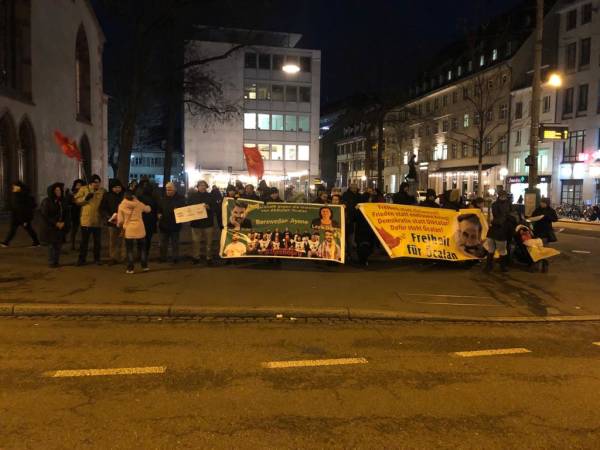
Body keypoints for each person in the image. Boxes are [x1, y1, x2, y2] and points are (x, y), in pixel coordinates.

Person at [117, 190, 151, 274]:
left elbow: (120, 220)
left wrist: (119, 225)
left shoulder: (121, 206)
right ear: (133, 196)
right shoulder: (138, 204)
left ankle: (130, 269)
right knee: (143, 249)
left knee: (130, 250)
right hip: (140, 228)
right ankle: (144, 266)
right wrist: (140, 202)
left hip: (129, 229)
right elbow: (148, 210)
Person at [75, 174, 105, 265]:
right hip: (86, 221)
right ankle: (81, 259)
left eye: (98, 182)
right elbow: (77, 201)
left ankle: (97, 259)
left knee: (97, 242)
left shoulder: (102, 191)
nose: (97, 184)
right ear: (91, 183)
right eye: (95, 182)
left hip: (98, 220)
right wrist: (86, 198)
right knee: (84, 242)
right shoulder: (84, 189)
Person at [39, 183, 71, 268]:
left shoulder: (62, 201)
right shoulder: (47, 201)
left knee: (58, 244)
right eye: (56, 190)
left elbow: (67, 213)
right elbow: (45, 215)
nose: (58, 192)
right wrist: (55, 223)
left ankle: (56, 261)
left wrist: (64, 222)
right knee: (52, 245)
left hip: (61, 226)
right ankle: (52, 261)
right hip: (51, 227)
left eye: (59, 190)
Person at [1, 181, 40, 248]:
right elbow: (15, 206)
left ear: (19, 187)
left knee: (29, 229)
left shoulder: (24, 196)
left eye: (15, 186)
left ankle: (36, 242)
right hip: (16, 217)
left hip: (23, 217)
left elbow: (26, 209)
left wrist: (25, 220)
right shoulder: (16, 195)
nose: (13, 187)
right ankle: (6, 243)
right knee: (12, 230)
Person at [188, 180, 216, 265]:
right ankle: (196, 257)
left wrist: (209, 207)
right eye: (200, 185)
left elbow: (215, 208)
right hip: (196, 223)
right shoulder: (192, 196)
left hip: (208, 223)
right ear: (198, 187)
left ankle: (209, 258)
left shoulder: (210, 196)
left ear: (206, 186)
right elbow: (188, 207)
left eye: (204, 185)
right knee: (195, 242)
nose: (202, 187)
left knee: (209, 242)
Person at [157, 182, 185, 263]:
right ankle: (163, 258)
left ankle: (175, 258)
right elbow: (159, 208)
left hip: (175, 225)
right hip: (164, 225)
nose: (168, 191)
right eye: (167, 189)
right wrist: (159, 214)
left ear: (174, 189)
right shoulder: (162, 198)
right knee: (163, 243)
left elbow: (183, 209)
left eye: (170, 190)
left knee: (175, 243)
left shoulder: (180, 198)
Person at [485, 189, 512, 272]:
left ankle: (489, 266)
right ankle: (502, 267)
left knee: (491, 249)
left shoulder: (494, 204)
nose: (503, 197)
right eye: (502, 196)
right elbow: (507, 216)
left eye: (504, 196)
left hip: (493, 229)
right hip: (501, 230)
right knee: (501, 250)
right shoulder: (507, 204)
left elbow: (492, 217)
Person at [100, 178, 124, 265]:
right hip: (112, 222)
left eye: (119, 187)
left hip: (123, 222)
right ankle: (113, 257)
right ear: (111, 188)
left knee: (122, 240)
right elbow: (103, 208)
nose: (117, 189)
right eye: (115, 187)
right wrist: (109, 216)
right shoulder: (107, 195)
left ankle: (122, 257)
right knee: (113, 240)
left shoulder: (124, 195)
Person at [137, 183, 158, 257]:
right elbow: (156, 210)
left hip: (141, 220)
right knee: (148, 239)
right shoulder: (154, 199)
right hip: (150, 222)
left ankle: (140, 254)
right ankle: (145, 254)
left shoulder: (139, 198)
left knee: (140, 239)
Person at [68, 179, 84, 250]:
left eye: (80, 185)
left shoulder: (84, 193)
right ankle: (72, 245)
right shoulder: (72, 194)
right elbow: (69, 202)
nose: (79, 186)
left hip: (83, 213)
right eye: (77, 185)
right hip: (75, 214)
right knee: (74, 230)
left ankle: (82, 245)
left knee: (83, 231)